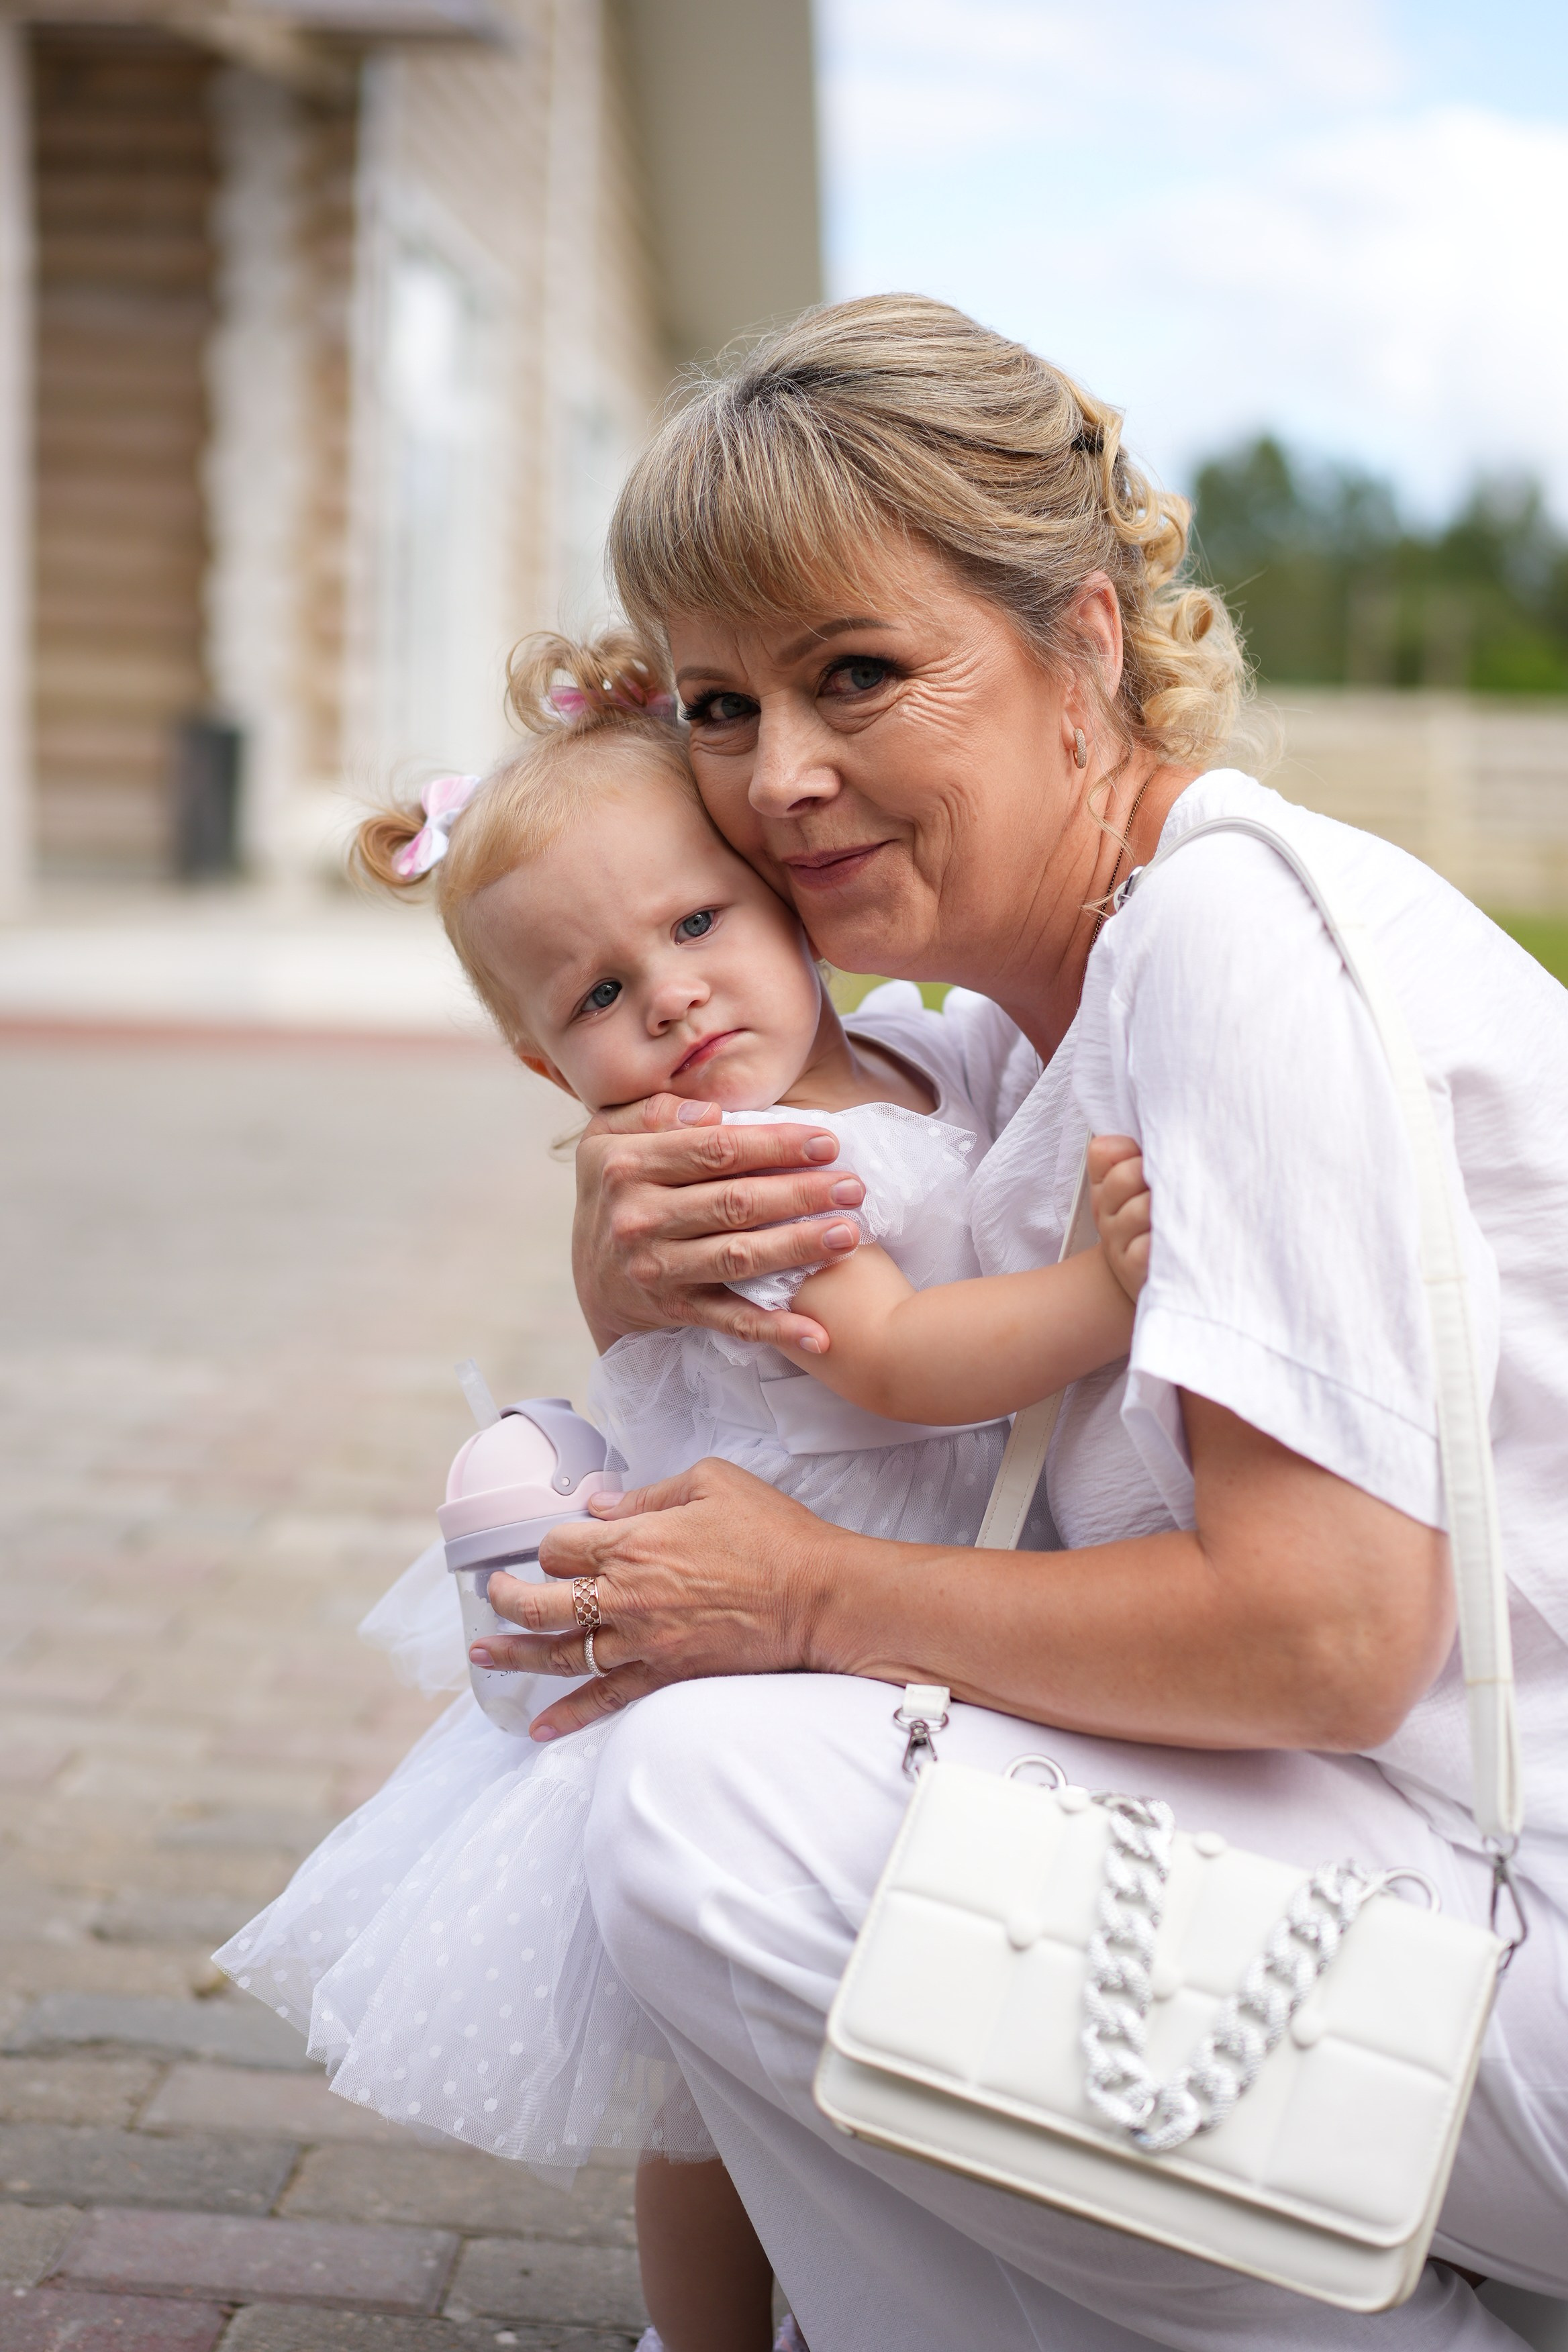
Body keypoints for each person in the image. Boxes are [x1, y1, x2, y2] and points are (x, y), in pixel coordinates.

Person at [467, 297, 1568, 2352]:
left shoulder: (1234, 946)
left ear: (1081, 646)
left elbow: (1328, 1638)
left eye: (857, 675)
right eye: (719, 707)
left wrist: (806, 1597)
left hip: (1517, 1921)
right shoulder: (993, 1045)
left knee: (712, 1796)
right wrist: (635, 1271)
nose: (780, 779)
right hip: (1408, 1873)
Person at [214, 626, 1148, 2352]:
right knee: (711, 2101)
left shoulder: (920, 1061)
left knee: (821, 2050)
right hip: (763, 1653)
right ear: (545, 1067)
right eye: (592, 998)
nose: (665, 999)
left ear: (784, 897)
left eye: (697, 924)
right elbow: (893, 1358)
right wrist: (1101, 1294)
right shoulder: (747, 1166)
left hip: (876, 1616)